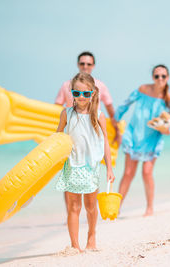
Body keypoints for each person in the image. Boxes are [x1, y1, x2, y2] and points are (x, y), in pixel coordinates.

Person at [55, 72, 115, 253]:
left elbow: (104, 142)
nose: (81, 97)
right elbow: (57, 137)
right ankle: (75, 245)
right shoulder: (66, 113)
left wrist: (109, 168)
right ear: (71, 92)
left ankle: (91, 237)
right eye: (77, 93)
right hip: (72, 165)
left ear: (93, 93)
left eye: (86, 94)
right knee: (74, 207)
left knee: (90, 206)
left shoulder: (98, 115)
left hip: (91, 167)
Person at [114, 64, 170, 216]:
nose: (160, 79)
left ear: (167, 78)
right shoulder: (142, 89)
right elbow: (125, 104)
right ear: (153, 77)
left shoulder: (169, 99)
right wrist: (116, 122)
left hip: (153, 139)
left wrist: (166, 129)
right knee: (128, 173)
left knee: (147, 172)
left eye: (163, 76)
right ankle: (116, 208)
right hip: (134, 135)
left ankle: (149, 208)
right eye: (157, 76)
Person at [55, 51, 121, 143]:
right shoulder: (67, 85)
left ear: (93, 66)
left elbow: (110, 110)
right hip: (71, 131)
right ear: (78, 64)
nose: (85, 66)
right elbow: (56, 108)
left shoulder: (101, 86)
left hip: (93, 131)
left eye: (88, 64)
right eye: (82, 63)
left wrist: (117, 131)